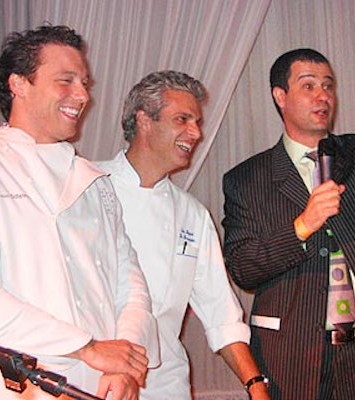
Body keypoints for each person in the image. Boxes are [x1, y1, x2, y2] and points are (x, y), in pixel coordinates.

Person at [0, 25, 159, 400]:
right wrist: (86, 347)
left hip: (102, 386)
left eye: (85, 83)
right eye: (65, 80)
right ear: (19, 84)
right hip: (18, 387)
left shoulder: (94, 181)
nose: (83, 95)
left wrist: (125, 361)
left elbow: (131, 285)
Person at [97, 70, 271, 400]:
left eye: (197, 122)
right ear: (144, 121)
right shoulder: (88, 185)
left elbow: (221, 313)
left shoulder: (192, 214)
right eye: (183, 119)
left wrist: (255, 385)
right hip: (94, 380)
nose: (196, 133)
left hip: (165, 384)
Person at [222, 48, 355, 400]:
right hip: (292, 361)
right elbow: (243, 268)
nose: (323, 96)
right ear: (280, 96)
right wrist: (302, 225)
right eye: (309, 85)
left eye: (328, 86)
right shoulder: (247, 179)